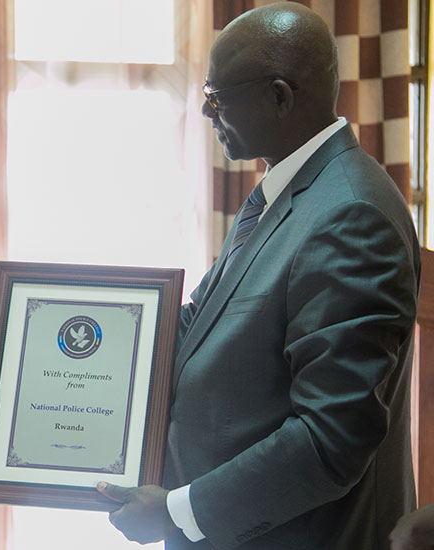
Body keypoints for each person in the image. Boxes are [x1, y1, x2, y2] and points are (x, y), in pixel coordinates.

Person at [96, 3, 420, 549]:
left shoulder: (350, 215)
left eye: (216, 97)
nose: (206, 113)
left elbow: (330, 438)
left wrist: (180, 512)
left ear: (279, 97)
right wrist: (61, 333)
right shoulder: (293, 190)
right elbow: (201, 321)